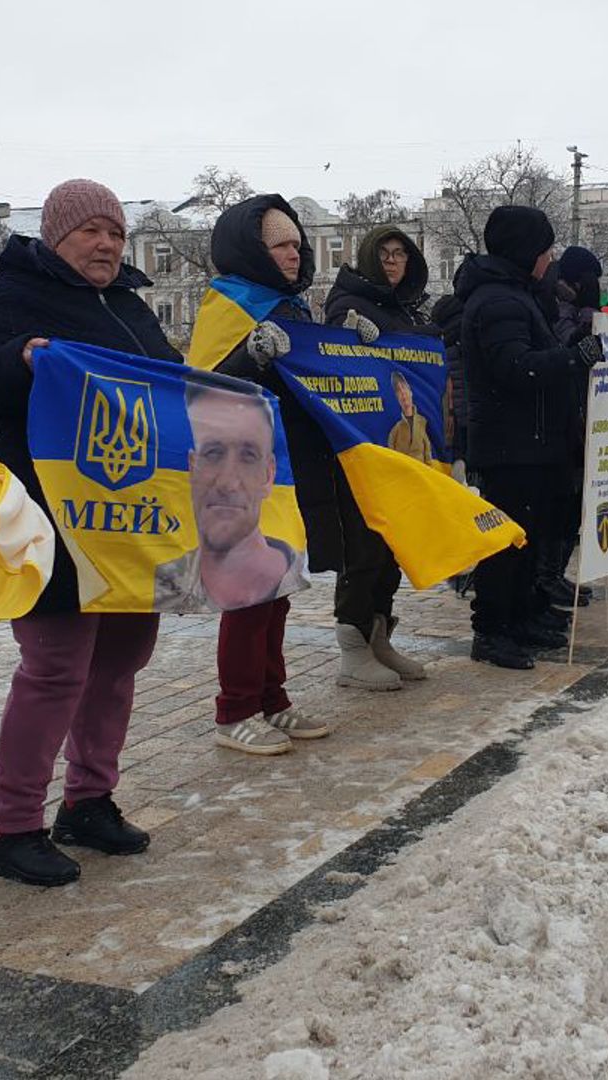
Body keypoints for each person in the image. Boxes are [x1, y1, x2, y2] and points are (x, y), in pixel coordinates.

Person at [0, 178, 179, 888]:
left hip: (129, 516)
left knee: (121, 658)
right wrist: (21, 359)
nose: (105, 245)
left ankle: (89, 801)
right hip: (50, 510)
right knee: (56, 667)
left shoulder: (128, 304)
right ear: (56, 235)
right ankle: (12, 828)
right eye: (91, 231)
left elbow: (168, 389)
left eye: (116, 233)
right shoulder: (13, 298)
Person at [201, 195, 337, 753]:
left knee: (276, 586)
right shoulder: (228, 305)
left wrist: (348, 345)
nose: (291, 254)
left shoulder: (292, 305)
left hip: (285, 463)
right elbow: (205, 385)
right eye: (279, 244)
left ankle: (271, 698)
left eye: (296, 245)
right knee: (247, 592)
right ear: (252, 248)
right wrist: (251, 356)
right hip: (240, 467)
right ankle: (235, 709)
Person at [458, 206, 599, 669]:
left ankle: (519, 616)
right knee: (505, 544)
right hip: (509, 445)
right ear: (526, 251)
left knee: (528, 539)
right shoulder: (498, 301)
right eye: (545, 249)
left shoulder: (516, 295)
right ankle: (492, 630)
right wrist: (575, 357)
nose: (550, 257)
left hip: (530, 442)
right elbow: (516, 369)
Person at [321, 225, 434, 690]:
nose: (392, 262)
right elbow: (329, 361)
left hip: (402, 451)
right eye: (384, 254)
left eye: (400, 254)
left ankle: (379, 636)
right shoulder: (347, 306)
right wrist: (349, 339)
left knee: (392, 547)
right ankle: (353, 648)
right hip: (362, 449)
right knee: (364, 548)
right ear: (369, 257)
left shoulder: (404, 308)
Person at [152, 381, 306, 612]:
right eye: (213, 454)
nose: (228, 483)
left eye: (248, 457)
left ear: (269, 474)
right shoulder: (158, 582)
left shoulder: (290, 571)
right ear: (192, 468)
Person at [537, 245, 602, 610]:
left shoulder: (570, 303)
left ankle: (554, 573)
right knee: (559, 504)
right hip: (560, 418)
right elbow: (570, 344)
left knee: (573, 503)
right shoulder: (556, 303)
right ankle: (545, 577)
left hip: (578, 416)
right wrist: (589, 312)